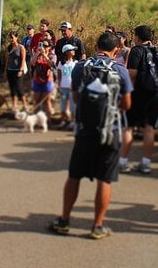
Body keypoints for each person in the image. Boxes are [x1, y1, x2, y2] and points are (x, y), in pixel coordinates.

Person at [49, 32, 132, 239]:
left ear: (96, 46)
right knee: (105, 179)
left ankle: (64, 220)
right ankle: (97, 226)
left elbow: (75, 96)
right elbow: (127, 104)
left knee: (74, 175)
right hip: (110, 131)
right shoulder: (120, 71)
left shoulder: (81, 67)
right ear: (117, 50)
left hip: (85, 130)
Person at [119, 25, 158, 174]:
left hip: (139, 93)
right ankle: (146, 163)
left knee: (128, 127)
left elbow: (132, 73)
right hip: (156, 93)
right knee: (149, 128)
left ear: (138, 37)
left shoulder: (136, 50)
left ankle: (122, 162)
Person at [30, 38, 57, 116]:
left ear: (49, 47)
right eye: (42, 45)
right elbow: (32, 63)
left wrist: (44, 55)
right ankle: (35, 120)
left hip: (48, 80)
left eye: (45, 46)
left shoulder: (52, 55)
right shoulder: (38, 54)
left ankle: (49, 121)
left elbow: (51, 65)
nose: (43, 47)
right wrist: (37, 53)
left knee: (47, 101)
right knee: (36, 101)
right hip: (37, 80)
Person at [5, 31, 28, 110]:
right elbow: (7, 60)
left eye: (12, 37)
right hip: (10, 69)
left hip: (18, 70)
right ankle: (14, 105)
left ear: (16, 37)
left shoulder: (21, 47)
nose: (11, 39)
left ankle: (25, 105)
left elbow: (23, 59)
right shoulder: (9, 47)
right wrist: (5, 70)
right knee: (12, 88)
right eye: (10, 37)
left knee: (18, 87)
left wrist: (20, 70)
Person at [56, 44, 77, 129]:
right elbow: (59, 75)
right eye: (72, 50)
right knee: (63, 105)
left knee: (73, 105)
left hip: (72, 87)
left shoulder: (76, 63)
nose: (74, 51)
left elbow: (76, 76)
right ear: (67, 52)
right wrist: (59, 84)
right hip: (63, 86)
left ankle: (72, 121)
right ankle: (63, 120)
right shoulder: (61, 63)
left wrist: (74, 85)